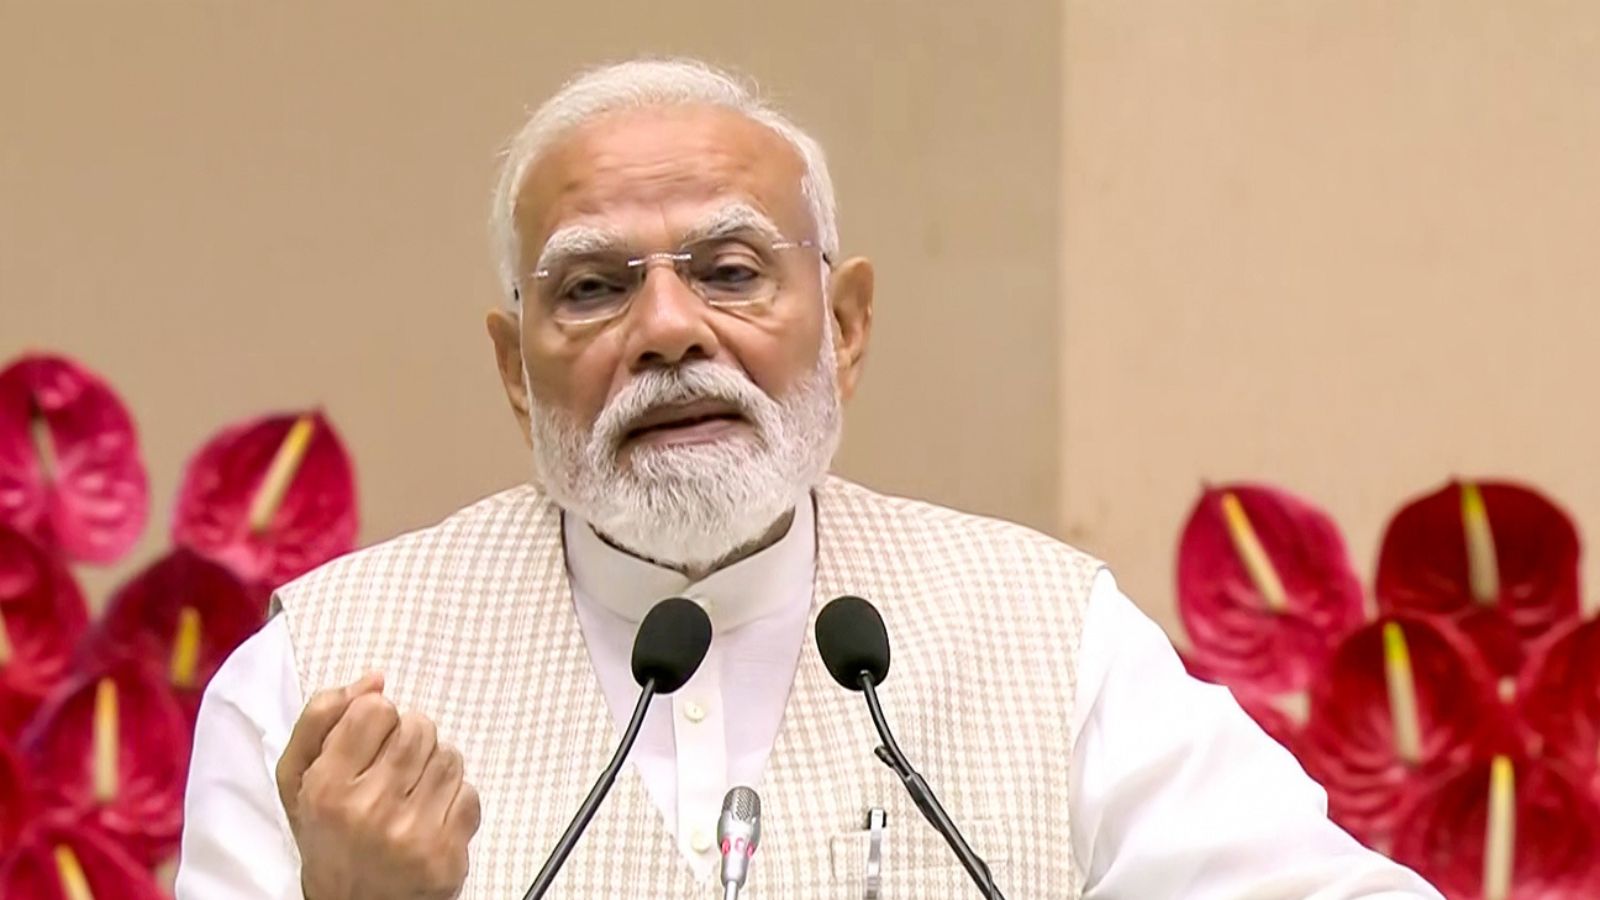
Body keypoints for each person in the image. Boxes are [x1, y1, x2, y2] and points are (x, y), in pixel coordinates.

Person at [176, 58, 1442, 899]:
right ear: (516, 368)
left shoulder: (1052, 641)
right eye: (595, 287)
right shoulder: (317, 683)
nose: (667, 332)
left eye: (730, 272)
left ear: (843, 325)